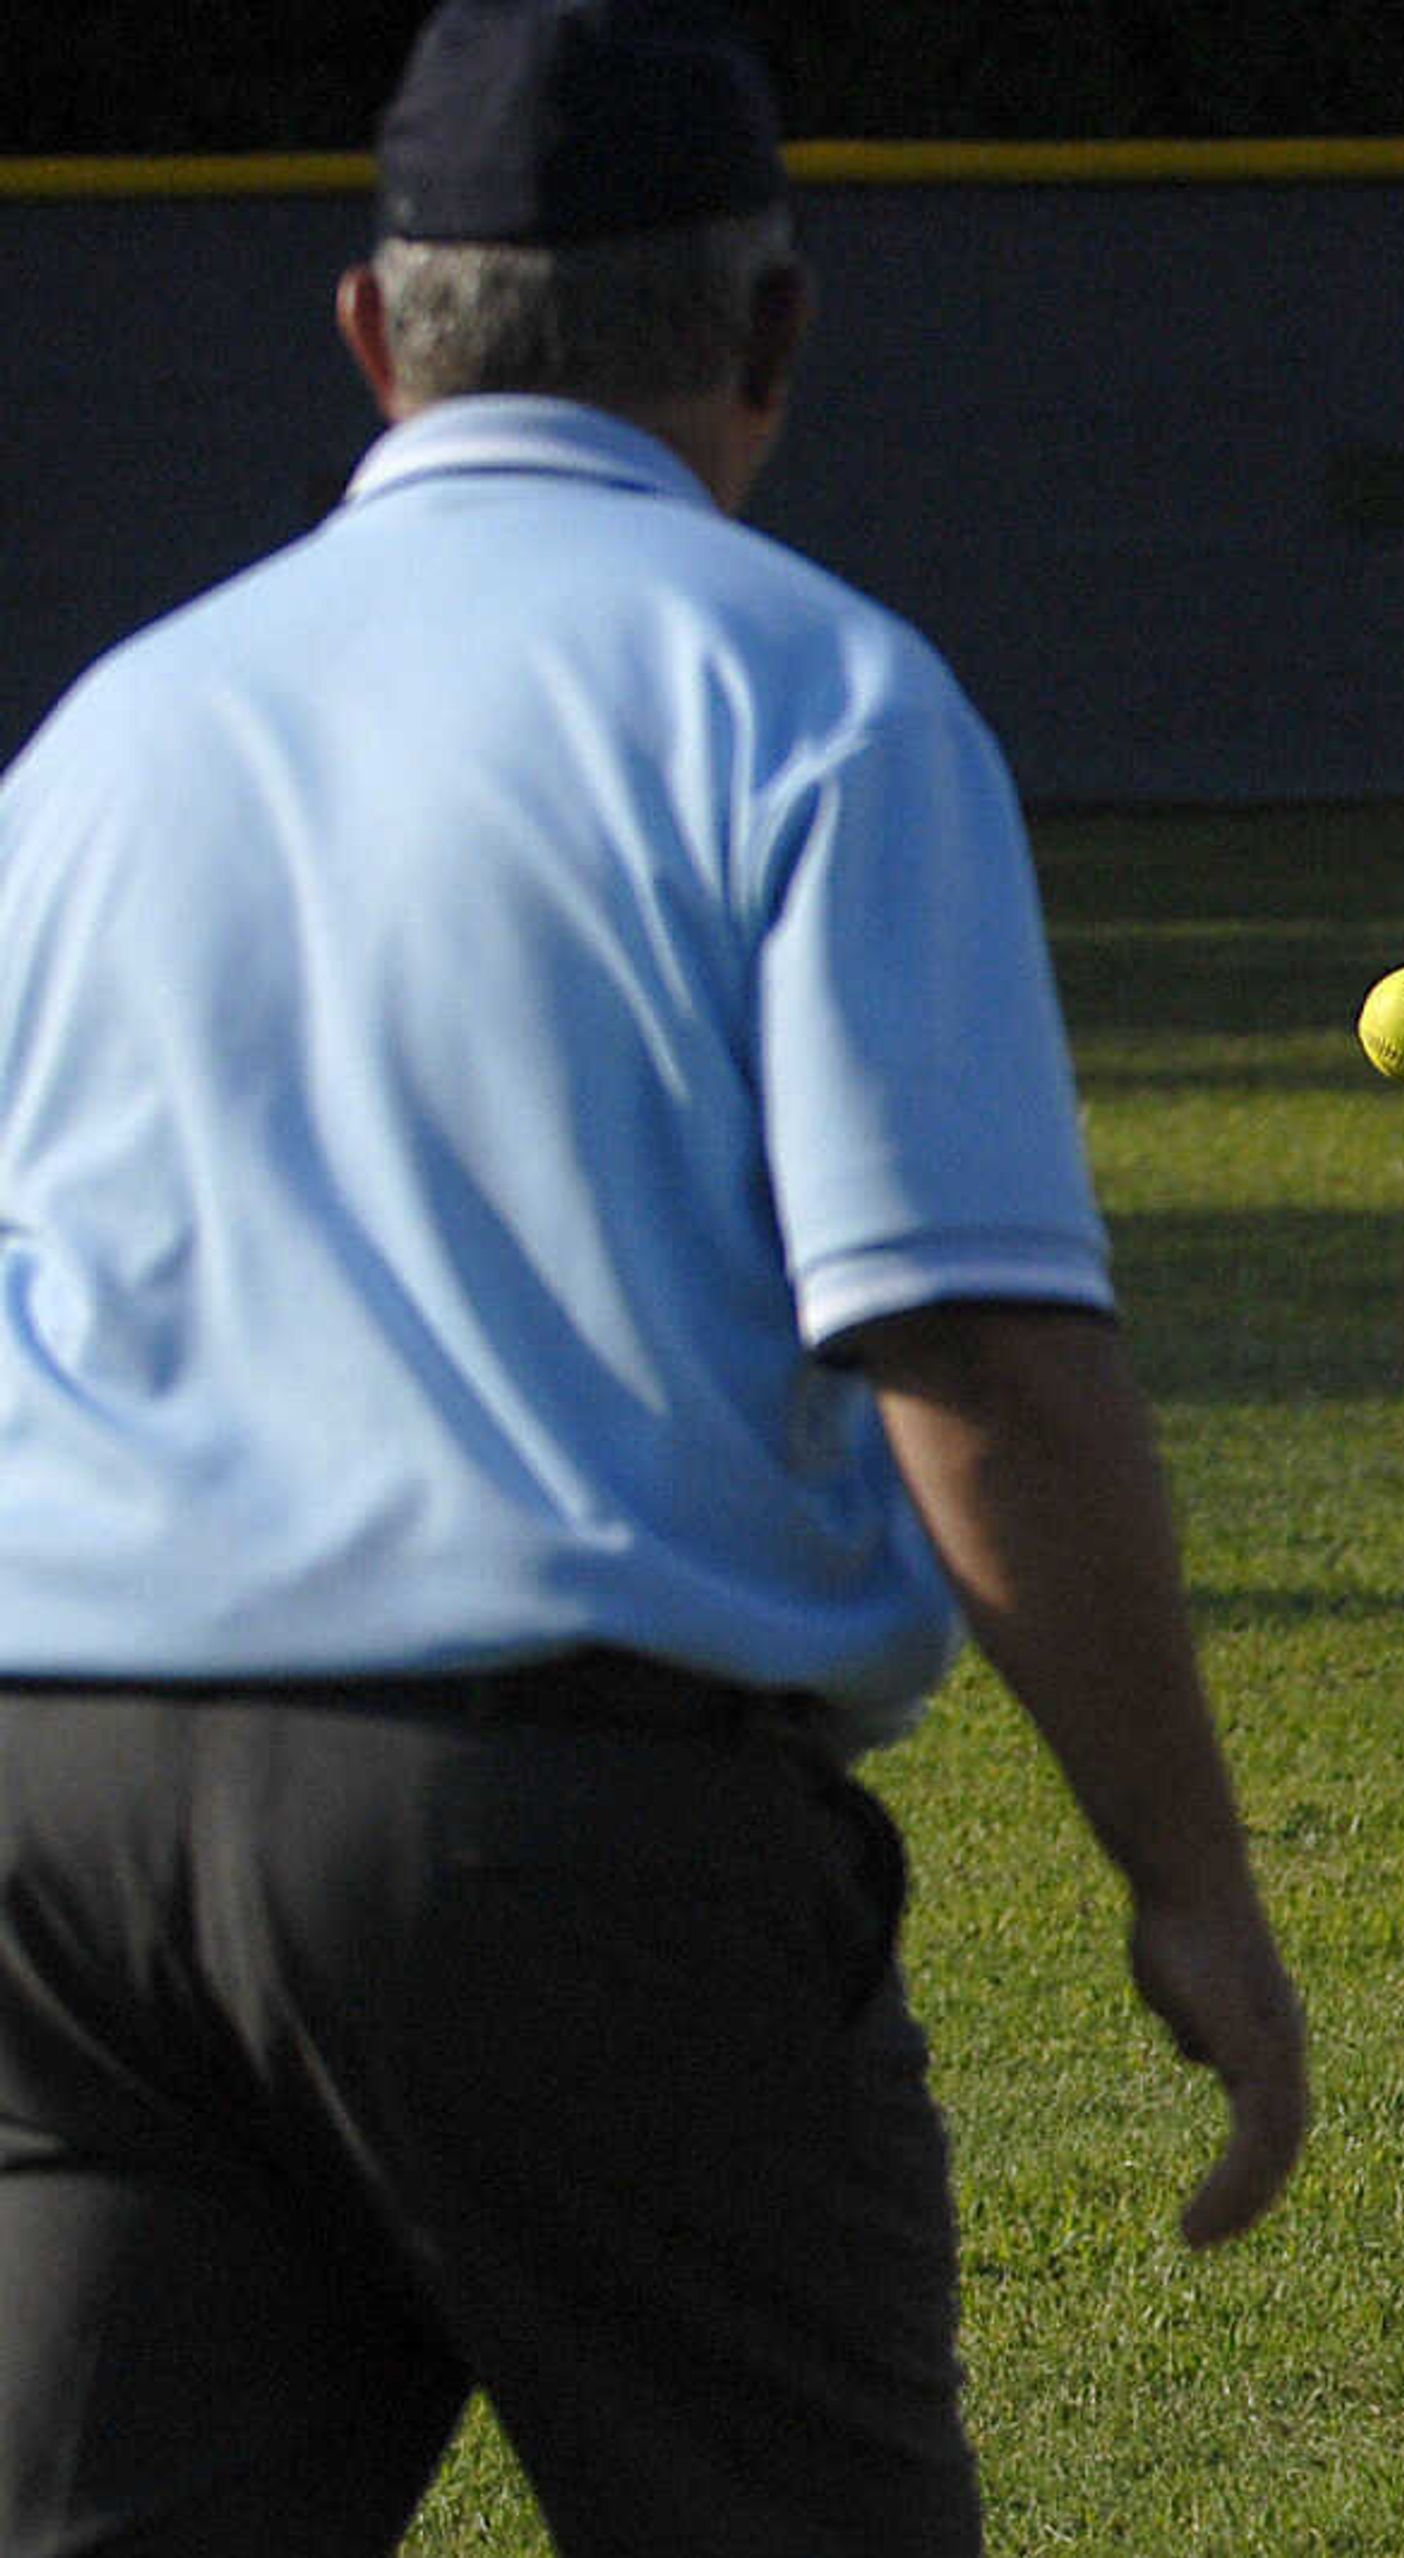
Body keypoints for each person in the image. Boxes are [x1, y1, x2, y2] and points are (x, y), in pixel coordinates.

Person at [0, 3, 1308, 2549]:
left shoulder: (107, 740)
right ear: (776, 337)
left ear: (378, 337)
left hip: (58, 1812)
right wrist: (1185, 1876)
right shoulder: (795, 690)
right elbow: (970, 1352)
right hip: (551, 1827)